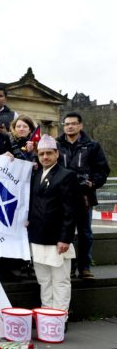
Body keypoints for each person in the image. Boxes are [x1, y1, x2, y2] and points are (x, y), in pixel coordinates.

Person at [56, 112, 110, 279]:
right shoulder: (56, 145)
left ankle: (85, 266)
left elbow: (102, 169)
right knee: (66, 233)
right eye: (66, 124)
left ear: (80, 125)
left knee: (85, 233)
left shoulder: (92, 145)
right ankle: (69, 266)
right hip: (62, 196)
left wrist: (93, 183)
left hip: (84, 196)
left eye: (73, 123)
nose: (69, 126)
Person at [28, 135, 78, 312]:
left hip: (57, 239)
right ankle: (46, 313)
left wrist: (65, 238)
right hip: (37, 237)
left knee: (60, 281)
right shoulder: (36, 175)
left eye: (49, 153)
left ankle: (59, 317)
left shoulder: (67, 176)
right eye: (41, 154)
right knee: (44, 281)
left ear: (57, 153)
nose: (45, 157)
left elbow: (70, 211)